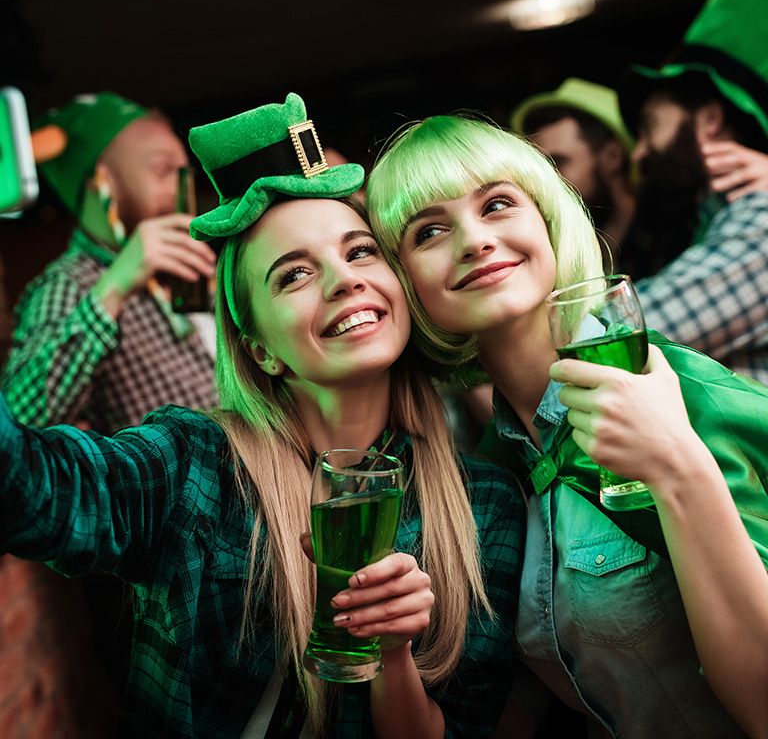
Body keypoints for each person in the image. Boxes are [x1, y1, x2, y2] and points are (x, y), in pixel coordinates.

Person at [0, 94, 524, 738]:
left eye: (360, 252)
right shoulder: (192, 465)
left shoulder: (486, 506)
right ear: (260, 351)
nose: (343, 280)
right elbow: (35, 487)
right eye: (294, 275)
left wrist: (393, 655)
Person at [366, 112, 768, 739]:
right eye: (429, 231)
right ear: (406, 283)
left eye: (497, 204)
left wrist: (678, 466)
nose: (473, 240)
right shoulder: (493, 472)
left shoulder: (673, 390)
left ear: (549, 220)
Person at [0, 92, 218, 433]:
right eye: (163, 171)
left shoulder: (187, 264)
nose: (180, 190)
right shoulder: (72, 283)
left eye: (183, 173)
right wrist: (113, 289)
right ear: (102, 184)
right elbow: (16, 428)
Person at [618, 0, 768, 385]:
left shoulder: (761, 223)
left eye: (650, 126)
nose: (638, 153)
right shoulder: (709, 223)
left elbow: (622, 338)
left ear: (710, 121)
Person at [512, 78, 636, 273]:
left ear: (613, 156)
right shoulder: (564, 257)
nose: (542, 180)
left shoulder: (668, 235)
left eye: (557, 162)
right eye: (540, 166)